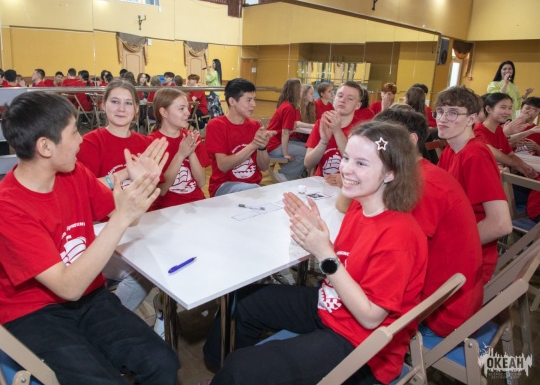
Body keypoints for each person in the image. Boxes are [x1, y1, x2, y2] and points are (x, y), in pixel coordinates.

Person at [203, 121, 427, 385]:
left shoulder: (399, 237)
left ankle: (231, 375)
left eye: (361, 163)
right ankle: (219, 368)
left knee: (241, 368)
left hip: (362, 348)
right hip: (333, 309)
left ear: (390, 173)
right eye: (346, 158)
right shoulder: (361, 206)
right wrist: (318, 236)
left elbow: (369, 317)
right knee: (243, 302)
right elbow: (351, 263)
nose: (346, 169)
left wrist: (324, 253)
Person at [0, 91, 179, 384]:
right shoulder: (4, 208)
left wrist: (141, 183)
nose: (81, 140)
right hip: (34, 312)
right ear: (45, 147)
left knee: (162, 362)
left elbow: (129, 217)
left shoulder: (74, 174)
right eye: (74, 132)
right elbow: (68, 287)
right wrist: (121, 217)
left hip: (90, 298)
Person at [374, 108, 483, 337]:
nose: (375, 147)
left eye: (381, 140)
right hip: (446, 295)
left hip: (440, 310)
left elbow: (400, 254)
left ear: (411, 140)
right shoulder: (420, 174)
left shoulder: (423, 184)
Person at [76, 79, 156, 312]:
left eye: (128, 103)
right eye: (115, 102)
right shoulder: (90, 142)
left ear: (136, 109)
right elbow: (85, 189)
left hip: (140, 225)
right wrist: (125, 173)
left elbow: (151, 192)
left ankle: (162, 308)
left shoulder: (146, 143)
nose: (121, 109)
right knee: (144, 273)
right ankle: (109, 318)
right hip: (103, 230)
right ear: (103, 105)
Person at [435, 86, 512, 283]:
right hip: (452, 239)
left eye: (453, 113)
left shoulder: (475, 155)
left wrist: (449, 244)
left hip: (469, 260)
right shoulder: (451, 150)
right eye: (440, 111)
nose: (442, 118)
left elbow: (501, 224)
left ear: (471, 119)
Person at [206, 78, 274, 197]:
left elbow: (263, 167)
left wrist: (262, 147)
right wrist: (253, 145)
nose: (253, 104)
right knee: (255, 192)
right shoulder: (216, 125)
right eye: (248, 100)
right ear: (232, 101)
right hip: (224, 186)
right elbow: (223, 166)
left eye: (254, 99)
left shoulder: (255, 125)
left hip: (252, 186)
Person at [148, 87, 209, 209]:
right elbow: (161, 190)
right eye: (181, 109)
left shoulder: (191, 137)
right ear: (164, 112)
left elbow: (201, 182)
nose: (188, 112)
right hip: (167, 208)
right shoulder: (151, 142)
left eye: (187, 107)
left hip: (196, 203)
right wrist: (181, 155)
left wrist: (191, 152)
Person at [304, 81, 364, 179]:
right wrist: (323, 141)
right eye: (340, 96)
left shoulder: (362, 130)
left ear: (357, 105)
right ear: (334, 98)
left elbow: (355, 163)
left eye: (350, 98)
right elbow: (308, 164)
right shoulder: (322, 123)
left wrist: (337, 131)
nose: (343, 100)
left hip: (348, 183)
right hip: (321, 181)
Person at [474, 92, 536, 178]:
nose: (507, 112)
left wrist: (524, 168)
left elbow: (510, 154)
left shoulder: (498, 129)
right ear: (488, 109)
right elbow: (490, 150)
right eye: (503, 107)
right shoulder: (478, 129)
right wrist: (515, 164)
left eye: (510, 108)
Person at [265, 78, 313, 182]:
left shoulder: (288, 105)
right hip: (273, 146)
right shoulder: (289, 108)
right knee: (305, 152)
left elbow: (293, 125)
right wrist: (285, 153)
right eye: (300, 88)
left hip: (275, 143)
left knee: (308, 147)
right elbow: (285, 133)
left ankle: (294, 173)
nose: (302, 90)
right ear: (295, 91)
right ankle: (283, 174)